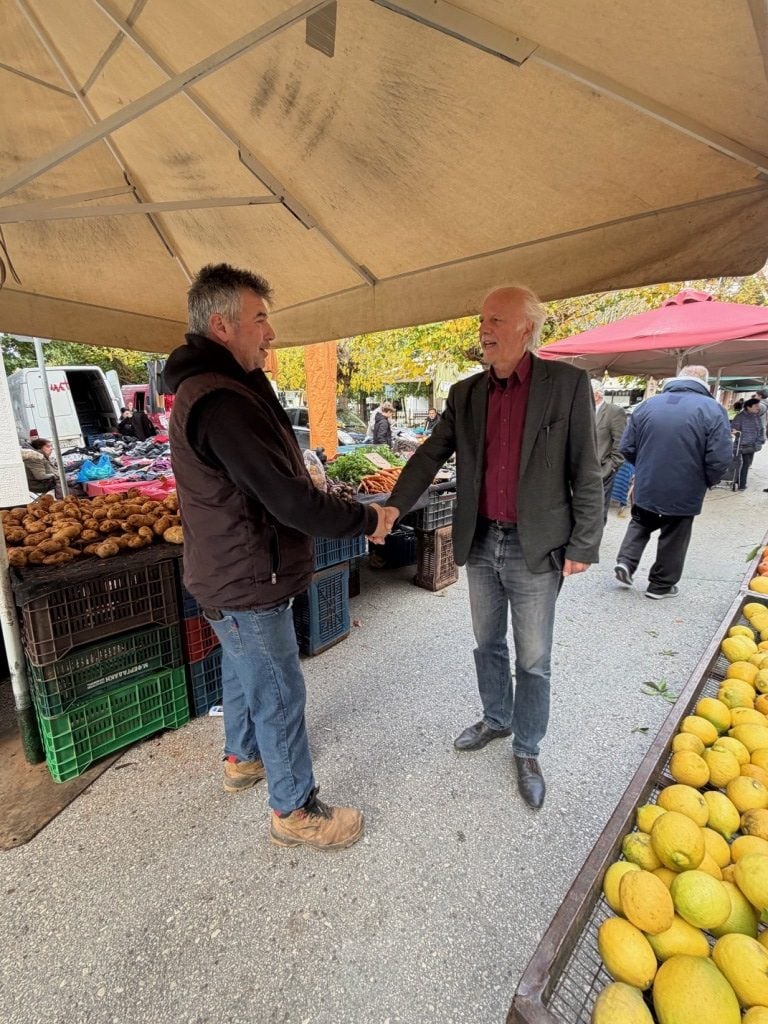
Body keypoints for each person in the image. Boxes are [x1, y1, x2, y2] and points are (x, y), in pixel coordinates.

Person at [165, 262, 391, 851]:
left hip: (233, 571)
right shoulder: (220, 402)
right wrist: (369, 519)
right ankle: (294, 811)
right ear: (222, 325)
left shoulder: (225, 385)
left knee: (246, 672)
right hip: (246, 576)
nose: (270, 333)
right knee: (280, 691)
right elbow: (290, 501)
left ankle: (242, 759)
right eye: (260, 320)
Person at [382, 285, 603, 810]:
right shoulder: (466, 394)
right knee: (487, 643)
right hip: (480, 541)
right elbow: (430, 454)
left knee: (534, 658)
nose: (485, 329)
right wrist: (392, 507)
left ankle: (527, 749)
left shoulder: (567, 385)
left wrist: (585, 543)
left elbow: (586, 471)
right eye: (483, 319)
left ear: (527, 328)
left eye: (496, 320)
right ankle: (497, 719)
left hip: (538, 546)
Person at [614, 366, 732, 599]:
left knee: (640, 520)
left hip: (648, 480)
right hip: (686, 485)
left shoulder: (647, 405)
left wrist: (645, 466)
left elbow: (627, 447)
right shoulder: (713, 410)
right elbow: (719, 456)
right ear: (705, 383)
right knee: (675, 533)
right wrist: (708, 480)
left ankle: (626, 562)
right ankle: (660, 585)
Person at [592, 381, 627, 525]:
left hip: (602, 470)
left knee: (598, 511)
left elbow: (621, 443)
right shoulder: (580, 410)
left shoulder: (614, 412)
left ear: (597, 395)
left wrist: (610, 467)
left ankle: (594, 543)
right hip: (579, 471)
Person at [731, 397, 765, 490]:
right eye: (756, 406)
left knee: (746, 464)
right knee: (740, 464)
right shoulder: (739, 417)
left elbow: (761, 430)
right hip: (741, 445)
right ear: (748, 407)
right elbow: (734, 430)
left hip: (752, 445)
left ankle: (741, 483)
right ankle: (738, 482)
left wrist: (760, 441)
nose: (758, 408)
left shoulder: (756, 417)